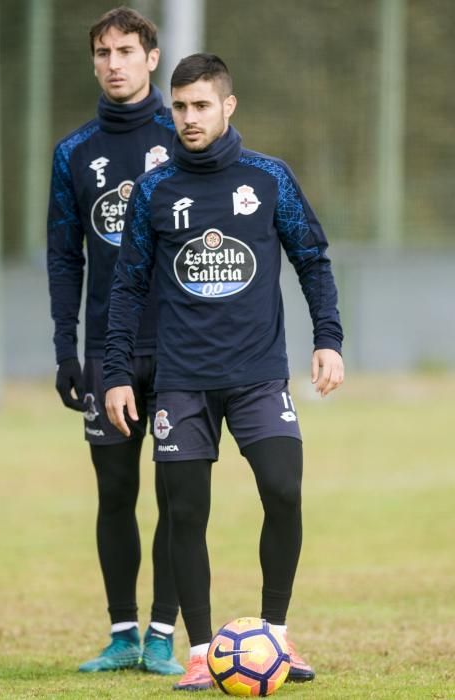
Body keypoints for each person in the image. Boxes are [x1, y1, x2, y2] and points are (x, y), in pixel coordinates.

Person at [104, 53, 344, 691]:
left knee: (284, 488)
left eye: (201, 106)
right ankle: (203, 652)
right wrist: (118, 371)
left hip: (259, 373)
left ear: (228, 105)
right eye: (179, 107)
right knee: (185, 515)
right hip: (181, 381)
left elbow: (312, 260)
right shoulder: (156, 188)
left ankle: (274, 635)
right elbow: (127, 287)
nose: (187, 118)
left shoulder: (267, 178)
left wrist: (329, 340)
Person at [46, 7, 184, 675]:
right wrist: (64, 351)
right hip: (109, 351)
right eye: (102, 52)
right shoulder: (73, 153)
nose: (114, 63)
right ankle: (123, 632)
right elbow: (63, 257)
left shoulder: (183, 134)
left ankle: (164, 634)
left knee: (177, 494)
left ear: (152, 57)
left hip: (185, 348)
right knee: (114, 491)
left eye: (126, 50)